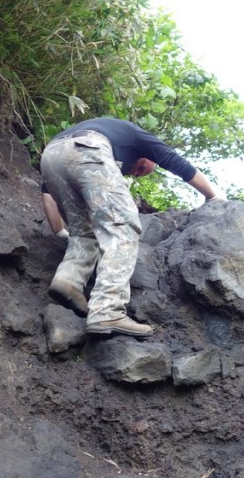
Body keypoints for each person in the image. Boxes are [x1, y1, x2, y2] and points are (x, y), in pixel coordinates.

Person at [40, 117, 224, 337]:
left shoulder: (108, 136)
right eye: (142, 168)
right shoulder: (139, 136)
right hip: (89, 149)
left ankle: (68, 281)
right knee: (123, 225)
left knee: (85, 232)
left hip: (50, 156)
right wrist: (213, 197)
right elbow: (179, 165)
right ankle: (107, 310)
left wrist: (59, 230)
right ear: (147, 156)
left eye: (138, 174)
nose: (136, 172)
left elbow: (47, 192)